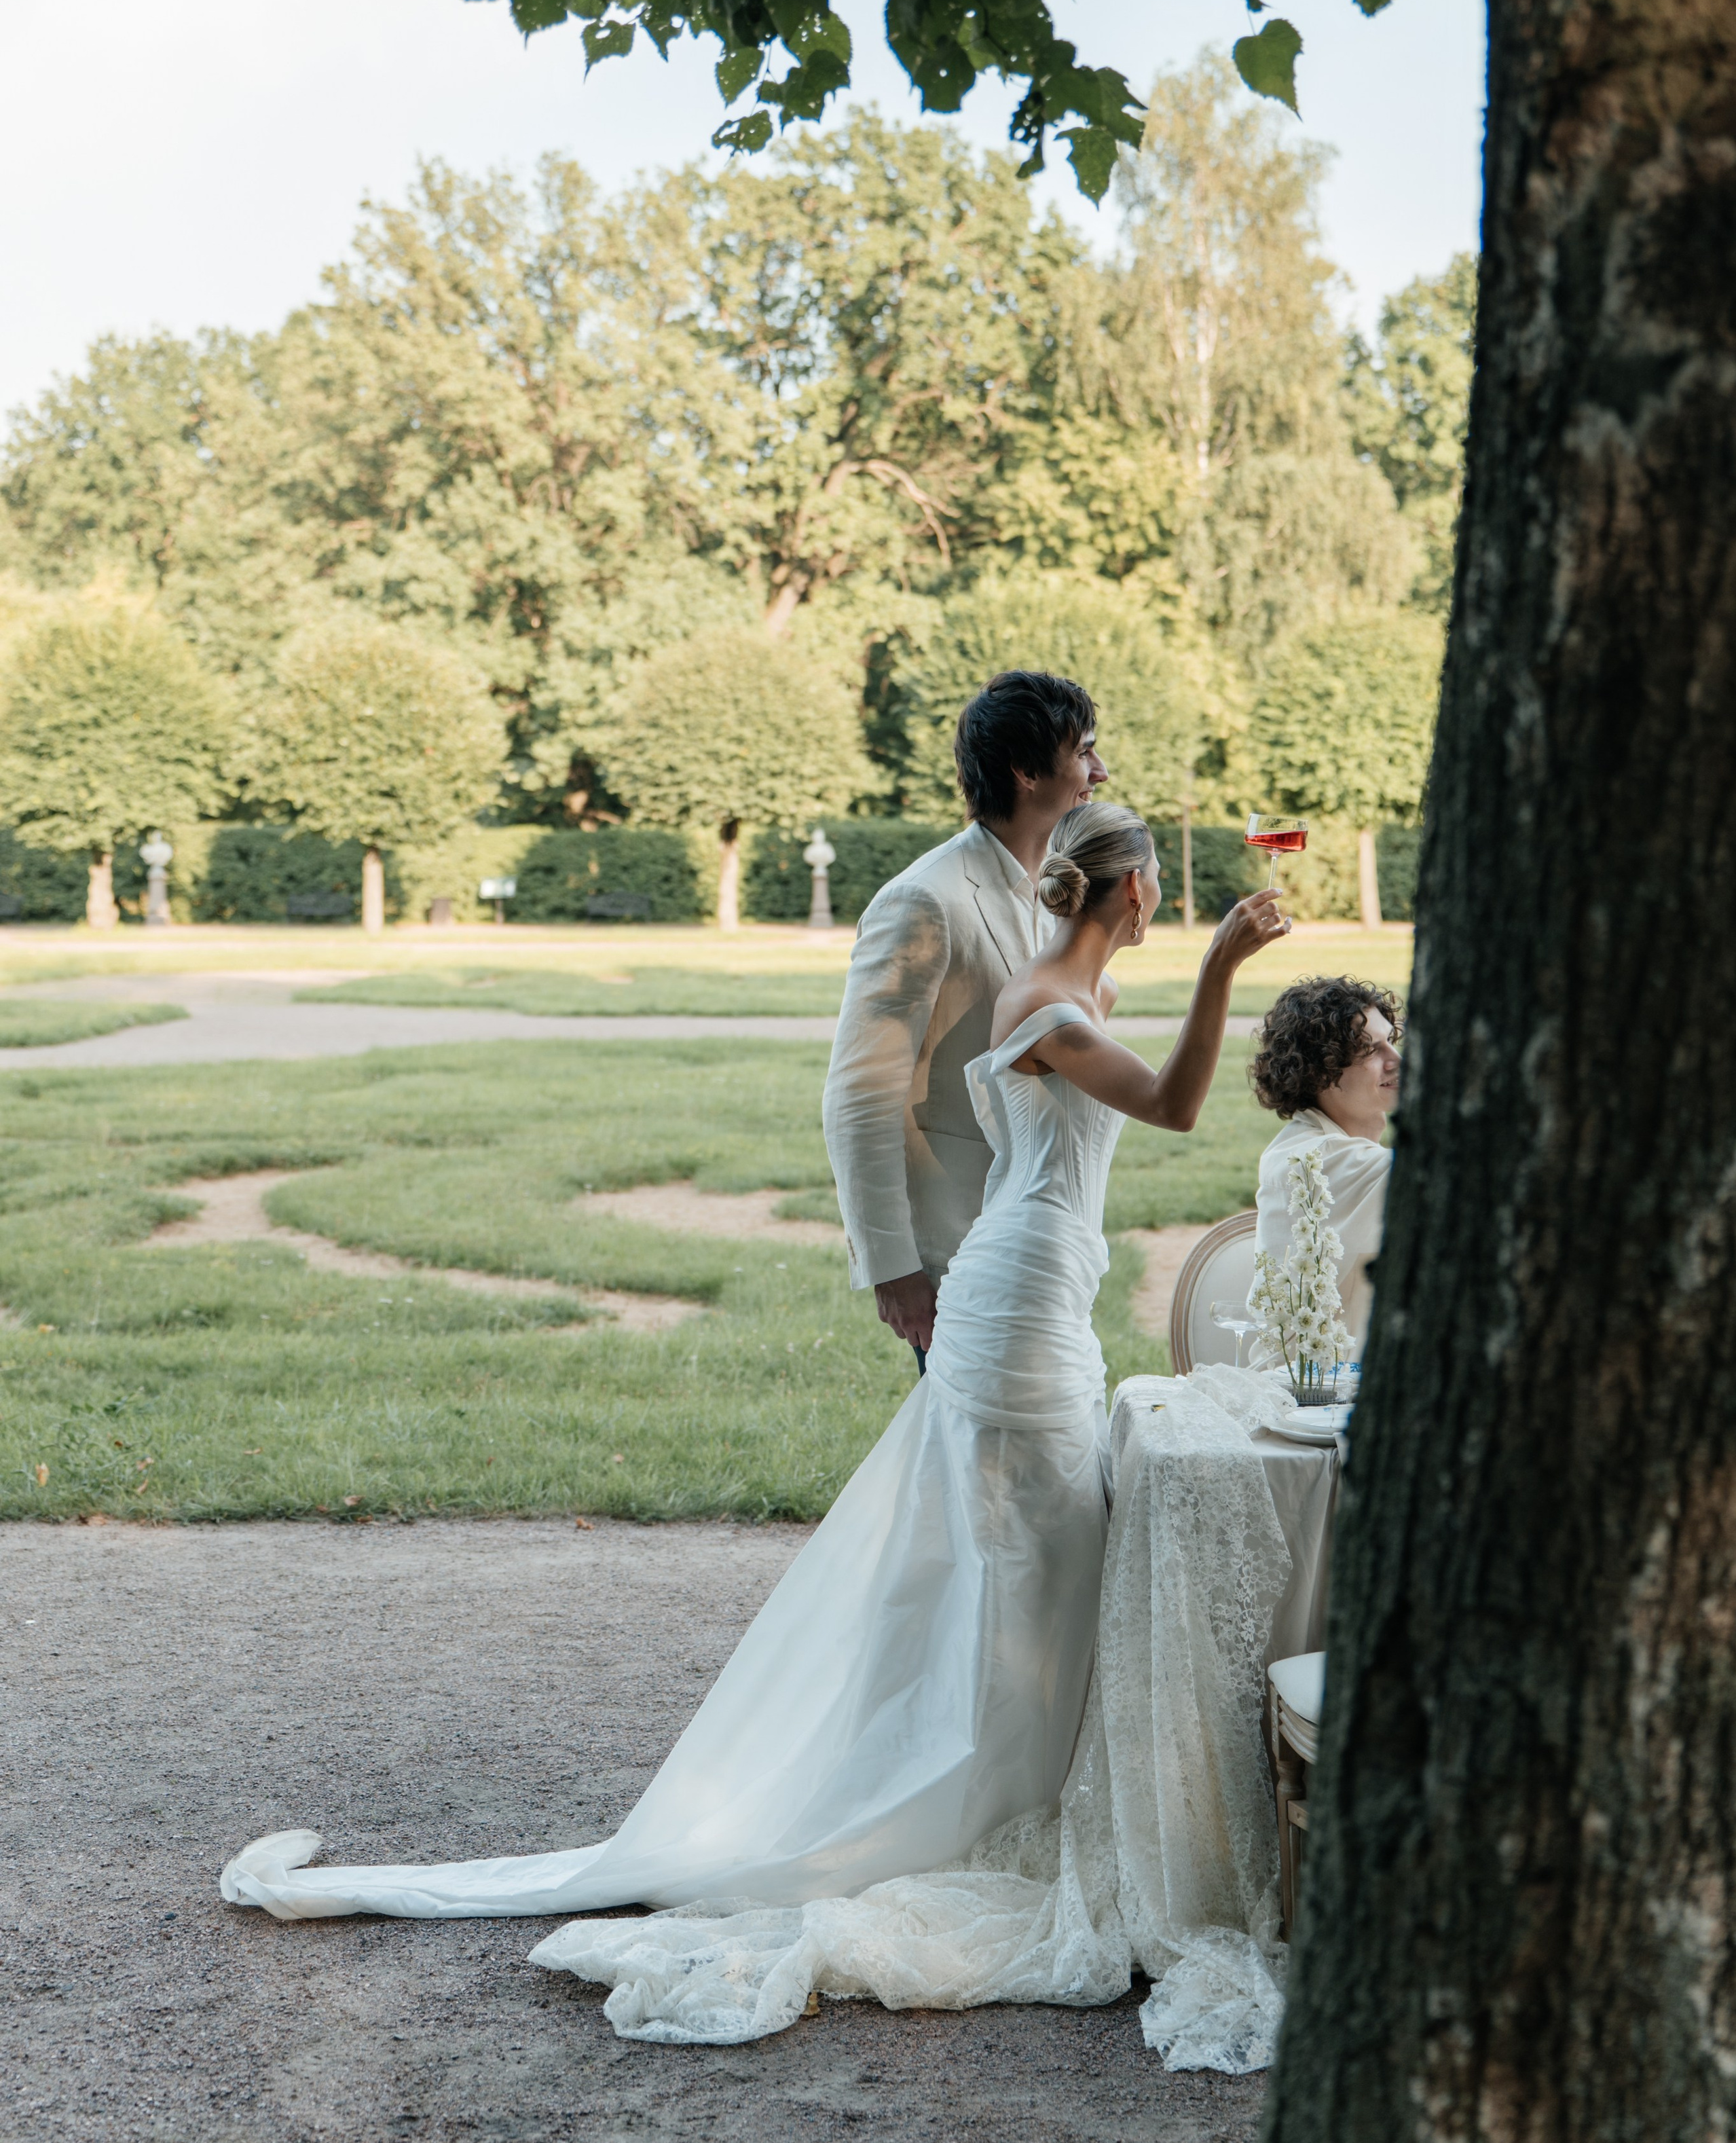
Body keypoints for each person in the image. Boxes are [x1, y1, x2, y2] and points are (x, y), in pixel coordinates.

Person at [219, 802, 1291, 2044]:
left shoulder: (1060, 994)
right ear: (1140, 897)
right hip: (1015, 1313)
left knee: (1034, 1562)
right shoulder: (1049, 1009)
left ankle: (1016, 1786)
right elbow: (1176, 1105)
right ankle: (972, 1808)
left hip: (1036, 1295)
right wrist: (1223, 972)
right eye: (1163, 897)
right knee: (1033, 1561)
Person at [823, 667, 1105, 1366]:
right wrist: (894, 1267)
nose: (1099, 770)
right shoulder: (922, 901)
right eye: (1083, 752)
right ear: (1024, 772)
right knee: (972, 1465)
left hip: (1041, 1234)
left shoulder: (1056, 891)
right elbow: (860, 1094)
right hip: (959, 1247)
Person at [1249, 977, 1402, 1357]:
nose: (1396, 1061)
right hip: (1312, 1398)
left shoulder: (1316, 1144)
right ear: (1319, 1071)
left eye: (1392, 1043)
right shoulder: (1316, 1159)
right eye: (1370, 1050)